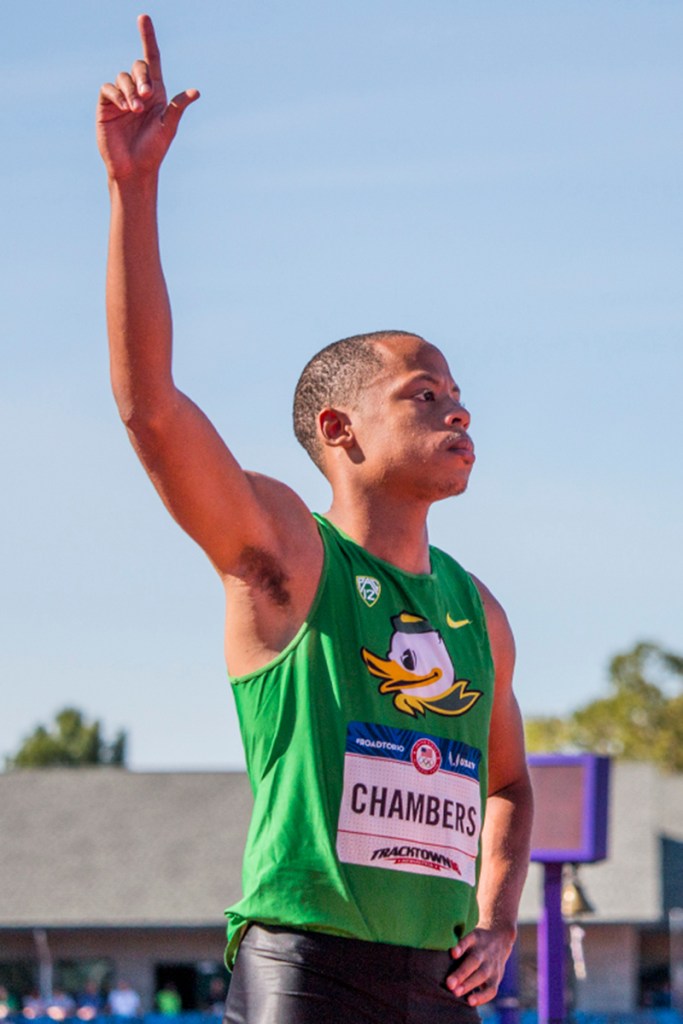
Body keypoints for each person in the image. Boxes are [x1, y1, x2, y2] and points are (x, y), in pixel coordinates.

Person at [97, 16, 533, 1024]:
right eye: (424, 394)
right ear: (338, 429)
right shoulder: (288, 553)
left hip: (438, 977)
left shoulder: (478, 612)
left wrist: (498, 910)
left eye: (460, 393)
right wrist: (134, 189)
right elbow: (150, 408)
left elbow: (507, 781)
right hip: (307, 963)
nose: (457, 408)